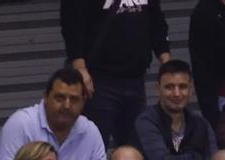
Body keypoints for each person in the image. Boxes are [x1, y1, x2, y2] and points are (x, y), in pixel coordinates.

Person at [62, 0, 170, 150]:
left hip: (136, 78)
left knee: (134, 147)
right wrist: (80, 68)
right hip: (98, 80)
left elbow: (156, 21)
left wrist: (167, 64)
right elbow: (72, 26)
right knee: (93, 146)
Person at [136, 58, 215, 160]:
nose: (177, 93)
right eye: (169, 87)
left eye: (183, 87)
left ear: (191, 89)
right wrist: (196, 157)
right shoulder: (146, 121)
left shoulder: (201, 123)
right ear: (157, 89)